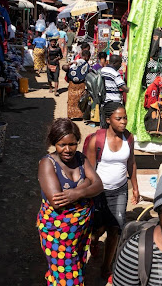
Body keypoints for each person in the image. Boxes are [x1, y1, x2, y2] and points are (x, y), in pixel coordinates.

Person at [37, 118, 103, 286]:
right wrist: (87, 184)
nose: (67, 149)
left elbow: (99, 185)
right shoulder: (47, 163)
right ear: (54, 143)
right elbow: (57, 201)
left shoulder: (80, 158)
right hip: (57, 233)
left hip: (80, 230)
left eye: (72, 144)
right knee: (68, 277)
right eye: (62, 145)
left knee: (76, 266)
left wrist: (76, 192)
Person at [86, 101, 139, 279]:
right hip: (99, 192)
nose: (123, 121)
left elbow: (131, 163)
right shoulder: (97, 140)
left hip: (120, 190)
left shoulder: (129, 138)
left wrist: (135, 188)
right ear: (108, 120)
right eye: (119, 118)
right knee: (98, 227)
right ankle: (94, 239)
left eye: (125, 117)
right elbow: (89, 170)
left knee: (115, 228)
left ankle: (106, 267)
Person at [67, 50, 91, 120]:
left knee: (71, 100)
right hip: (81, 84)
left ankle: (70, 114)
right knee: (80, 100)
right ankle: (79, 115)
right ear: (86, 57)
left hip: (72, 84)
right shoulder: (86, 64)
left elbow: (68, 70)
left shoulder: (75, 62)